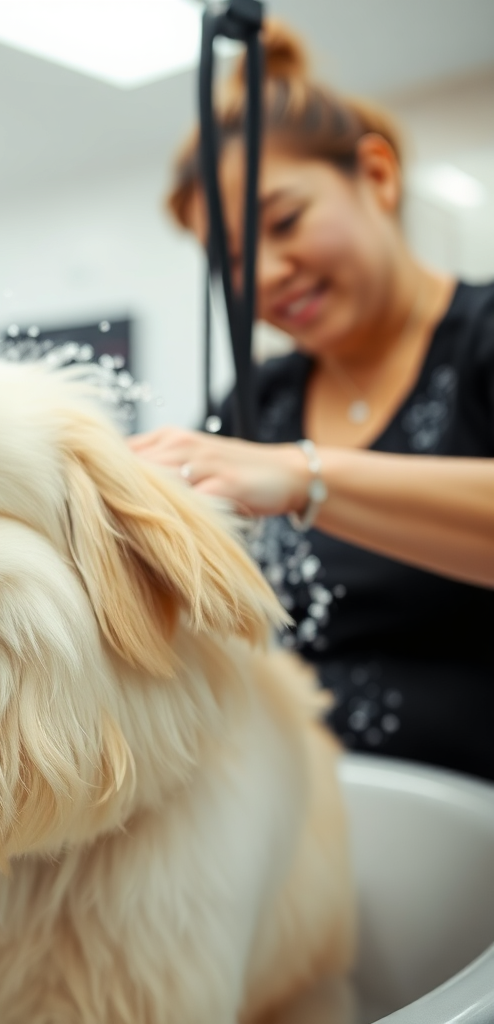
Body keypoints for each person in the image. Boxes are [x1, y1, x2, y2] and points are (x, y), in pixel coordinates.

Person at [130, 20, 494, 781]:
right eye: (229, 261)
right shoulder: (261, 401)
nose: (263, 274)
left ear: (377, 175)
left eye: (284, 222)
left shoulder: (480, 338)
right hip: (299, 815)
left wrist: (306, 477)